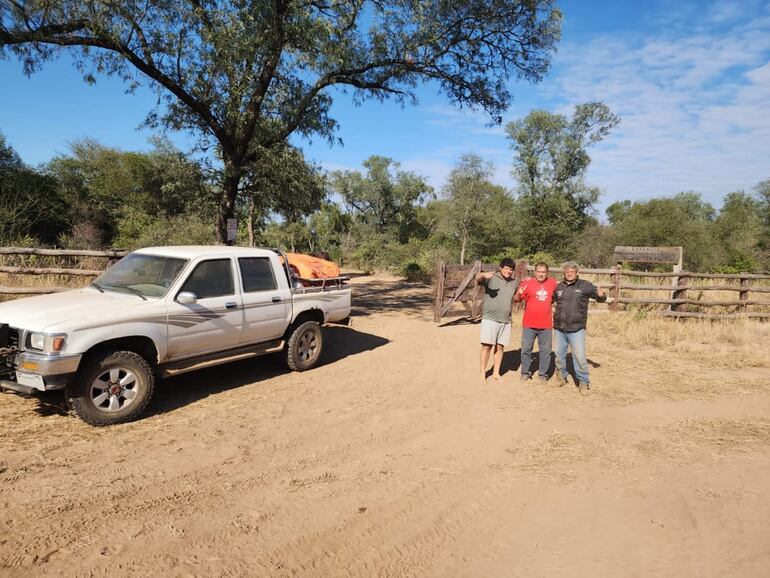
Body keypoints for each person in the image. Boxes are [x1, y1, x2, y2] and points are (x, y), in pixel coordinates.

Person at [552, 261, 607, 395]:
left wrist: (602, 295)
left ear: (577, 273)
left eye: (572, 271)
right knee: (559, 355)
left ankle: (583, 383)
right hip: (560, 327)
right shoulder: (559, 287)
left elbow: (599, 297)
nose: (570, 273)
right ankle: (561, 378)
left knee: (579, 356)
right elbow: (551, 300)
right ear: (564, 273)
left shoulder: (585, 285)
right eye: (567, 271)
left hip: (577, 327)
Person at [476, 258, 519, 384]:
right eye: (506, 268)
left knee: (500, 347)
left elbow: (515, 297)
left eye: (511, 269)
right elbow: (477, 278)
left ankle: (496, 373)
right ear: (500, 268)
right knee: (486, 346)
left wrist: (520, 293)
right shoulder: (491, 278)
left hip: (505, 320)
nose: (508, 271)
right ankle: (482, 373)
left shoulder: (514, 283)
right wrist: (483, 274)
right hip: (490, 318)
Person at [514, 262, 558, 383]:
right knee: (526, 349)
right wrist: (519, 292)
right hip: (529, 323)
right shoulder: (527, 283)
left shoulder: (553, 283)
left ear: (547, 273)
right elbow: (516, 300)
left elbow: (557, 296)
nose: (541, 274)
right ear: (535, 272)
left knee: (546, 351)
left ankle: (543, 374)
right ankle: (525, 372)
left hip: (546, 324)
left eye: (543, 272)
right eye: (539, 271)